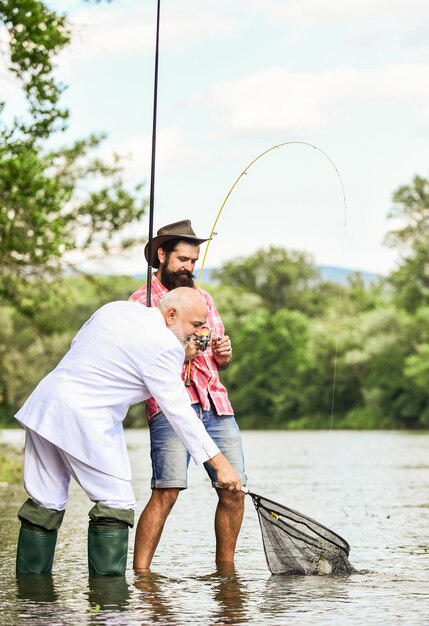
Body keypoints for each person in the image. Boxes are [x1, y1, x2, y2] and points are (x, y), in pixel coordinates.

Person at [14, 288, 242, 577]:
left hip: (46, 405)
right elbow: (179, 411)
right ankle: (110, 608)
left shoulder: (116, 309)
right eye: (195, 325)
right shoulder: (165, 347)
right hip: (85, 417)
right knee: (116, 504)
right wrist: (220, 465)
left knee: (44, 503)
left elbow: (83, 345)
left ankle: (33, 604)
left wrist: (178, 354)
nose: (199, 333)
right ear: (171, 314)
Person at [130, 219, 246, 571]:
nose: (189, 268)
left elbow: (216, 358)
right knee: (166, 490)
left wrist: (222, 354)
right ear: (162, 255)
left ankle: (226, 573)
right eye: (183, 260)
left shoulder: (204, 298)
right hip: (169, 406)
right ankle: (141, 573)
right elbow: (142, 362)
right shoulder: (141, 301)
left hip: (216, 404)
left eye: (194, 261)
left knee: (234, 490)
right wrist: (184, 353)